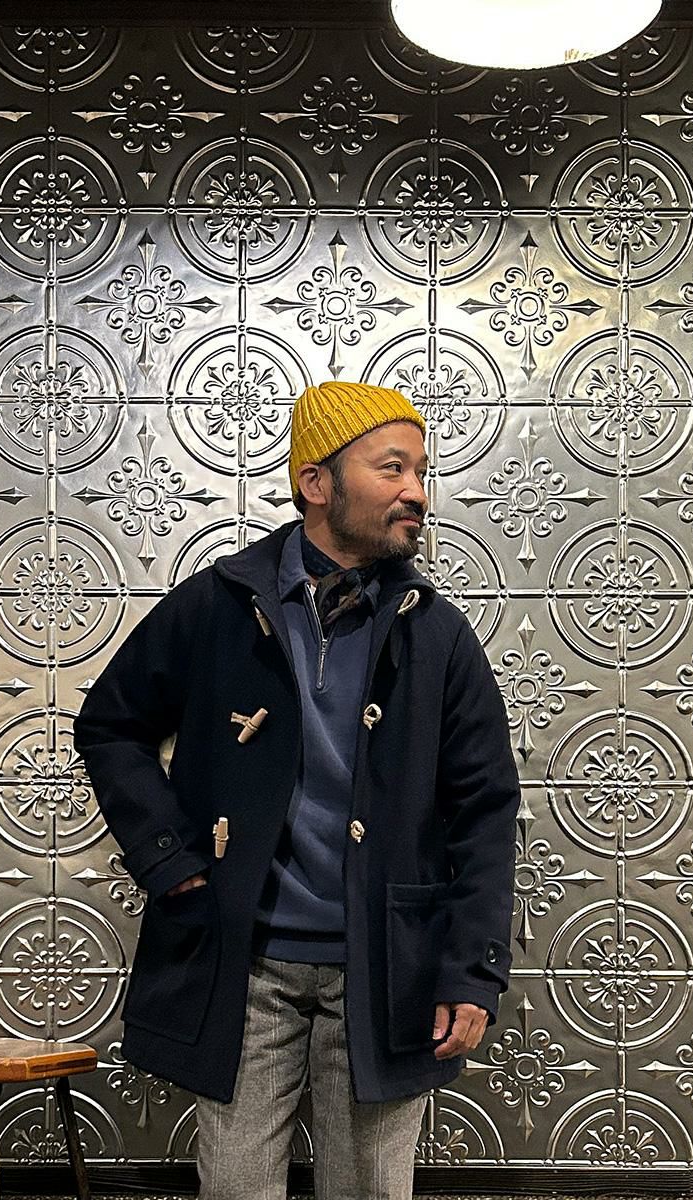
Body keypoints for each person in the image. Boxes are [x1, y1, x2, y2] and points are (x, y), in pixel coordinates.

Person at [73, 380, 520, 1200]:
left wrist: (472, 971)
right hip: (243, 965)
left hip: (386, 970)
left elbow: (485, 812)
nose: (418, 493)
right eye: (393, 468)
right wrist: (172, 864)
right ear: (317, 482)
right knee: (236, 1188)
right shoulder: (217, 606)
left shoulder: (437, 633)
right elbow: (110, 726)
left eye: (422, 471)